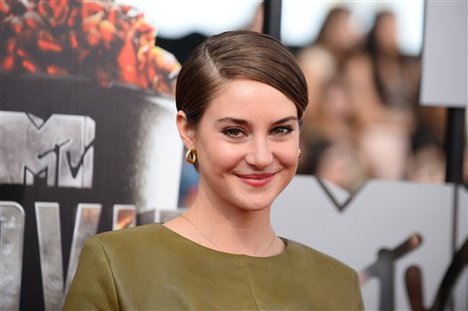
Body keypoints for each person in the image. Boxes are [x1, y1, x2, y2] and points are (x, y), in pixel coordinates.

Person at [63, 30, 364, 310]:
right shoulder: (115, 264)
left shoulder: (339, 285)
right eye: (235, 131)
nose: (260, 156)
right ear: (187, 131)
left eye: (280, 130)